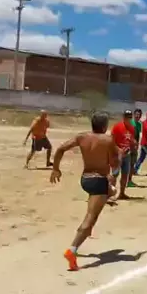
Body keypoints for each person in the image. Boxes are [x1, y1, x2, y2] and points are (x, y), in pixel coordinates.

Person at [49, 112, 120, 271]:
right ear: (104, 126)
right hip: (99, 180)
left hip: (85, 179)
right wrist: (117, 164)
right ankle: (72, 249)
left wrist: (56, 169)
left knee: (98, 206)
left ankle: (108, 195)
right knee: (90, 219)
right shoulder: (108, 140)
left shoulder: (82, 137)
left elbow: (60, 149)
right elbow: (114, 164)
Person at [110, 110, 137, 199]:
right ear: (123, 117)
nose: (128, 118)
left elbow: (131, 140)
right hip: (117, 154)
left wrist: (134, 145)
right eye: (126, 116)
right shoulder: (117, 127)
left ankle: (122, 193)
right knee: (115, 174)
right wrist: (118, 150)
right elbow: (111, 141)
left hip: (127, 155)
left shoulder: (132, 128)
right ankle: (111, 194)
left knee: (125, 174)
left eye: (130, 117)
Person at [127, 109, 143, 188]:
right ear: (134, 115)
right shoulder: (130, 122)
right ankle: (125, 180)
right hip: (128, 146)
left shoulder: (139, 124)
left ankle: (129, 181)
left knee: (132, 164)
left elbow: (137, 136)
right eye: (136, 114)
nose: (137, 116)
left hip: (135, 147)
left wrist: (137, 145)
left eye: (139, 115)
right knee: (126, 164)